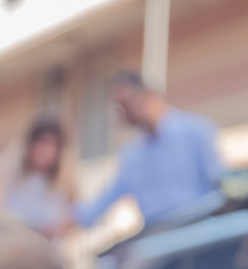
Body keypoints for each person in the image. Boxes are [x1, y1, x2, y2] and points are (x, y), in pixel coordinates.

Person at [72, 71, 224, 229]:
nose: (123, 114)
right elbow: (99, 205)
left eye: (126, 104)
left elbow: (221, 187)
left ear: (148, 96)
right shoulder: (131, 156)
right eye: (119, 108)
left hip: (201, 236)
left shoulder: (197, 132)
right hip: (156, 243)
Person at [4, 117, 72, 238]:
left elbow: (74, 218)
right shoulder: (7, 175)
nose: (46, 149)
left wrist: (59, 228)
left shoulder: (65, 183)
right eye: (41, 141)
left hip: (47, 251)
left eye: (53, 144)